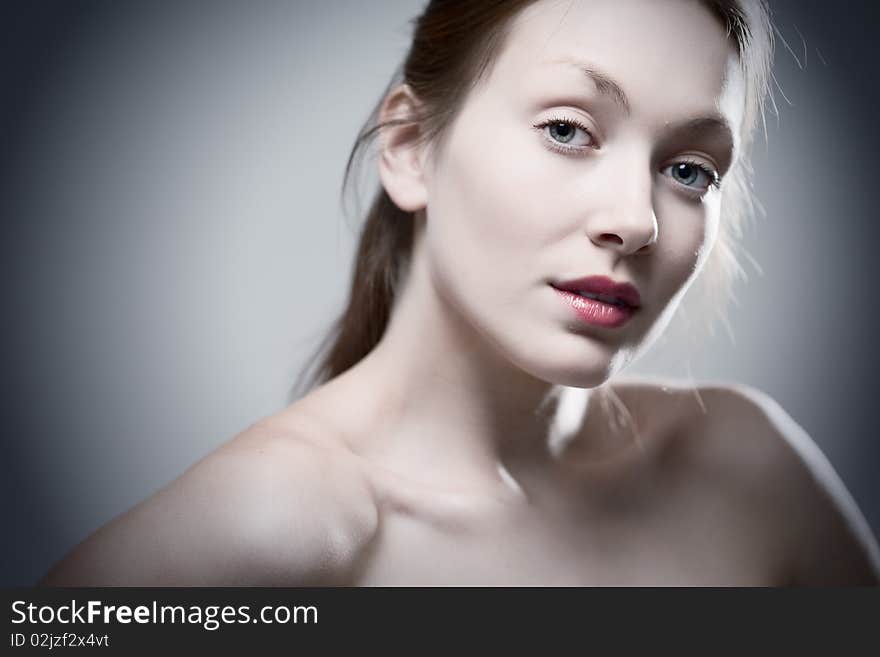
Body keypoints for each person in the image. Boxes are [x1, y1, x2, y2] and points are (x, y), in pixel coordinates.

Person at [40, 0, 880, 586]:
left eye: (689, 170)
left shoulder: (744, 465)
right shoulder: (274, 523)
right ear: (409, 146)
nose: (635, 220)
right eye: (567, 130)